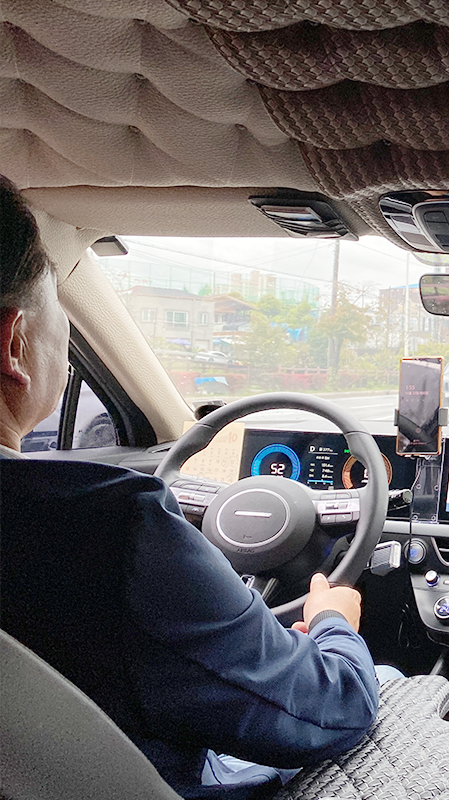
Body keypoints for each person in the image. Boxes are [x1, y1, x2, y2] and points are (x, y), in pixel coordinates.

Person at [0, 176, 379, 799]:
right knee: (383, 680)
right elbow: (329, 710)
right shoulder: (110, 530)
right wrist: (333, 623)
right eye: (60, 311)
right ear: (15, 343)